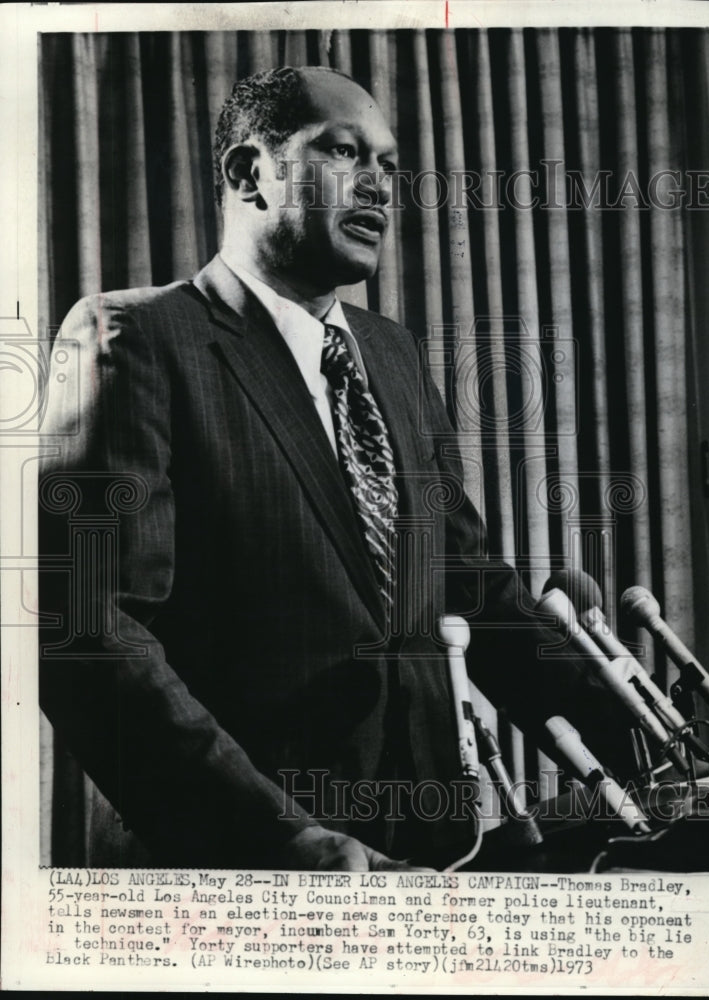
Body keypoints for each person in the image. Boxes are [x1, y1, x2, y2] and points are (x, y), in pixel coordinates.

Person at [38, 66, 634, 871]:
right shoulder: (134, 337)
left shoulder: (390, 352)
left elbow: (472, 588)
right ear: (250, 174)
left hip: (434, 853)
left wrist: (646, 745)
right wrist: (287, 841)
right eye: (344, 153)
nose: (380, 187)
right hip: (247, 871)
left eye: (388, 165)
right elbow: (87, 631)